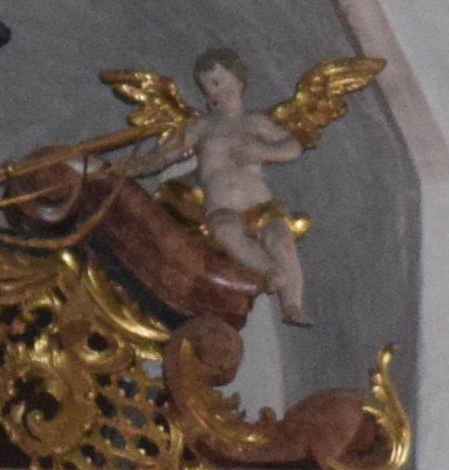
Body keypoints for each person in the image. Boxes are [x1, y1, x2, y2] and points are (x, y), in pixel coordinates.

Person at [134, 51, 315, 320]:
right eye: (206, 85)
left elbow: (293, 146)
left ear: (238, 82)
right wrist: (136, 166)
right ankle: (269, 271)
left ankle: (292, 304)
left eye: (217, 82)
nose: (212, 90)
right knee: (224, 230)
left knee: (279, 238)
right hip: (221, 203)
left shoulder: (255, 122)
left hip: (259, 201)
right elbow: (165, 155)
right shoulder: (202, 127)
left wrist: (263, 152)